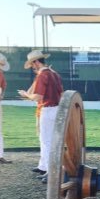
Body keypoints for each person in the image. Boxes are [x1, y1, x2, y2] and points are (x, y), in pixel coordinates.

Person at [17, 50, 63, 183]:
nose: (32, 67)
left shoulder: (43, 75)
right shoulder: (54, 74)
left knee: (46, 141)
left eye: (32, 64)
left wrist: (26, 95)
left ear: (36, 62)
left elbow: (37, 97)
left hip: (47, 109)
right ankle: (43, 166)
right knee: (47, 140)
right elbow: (61, 92)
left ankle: (50, 172)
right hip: (56, 109)